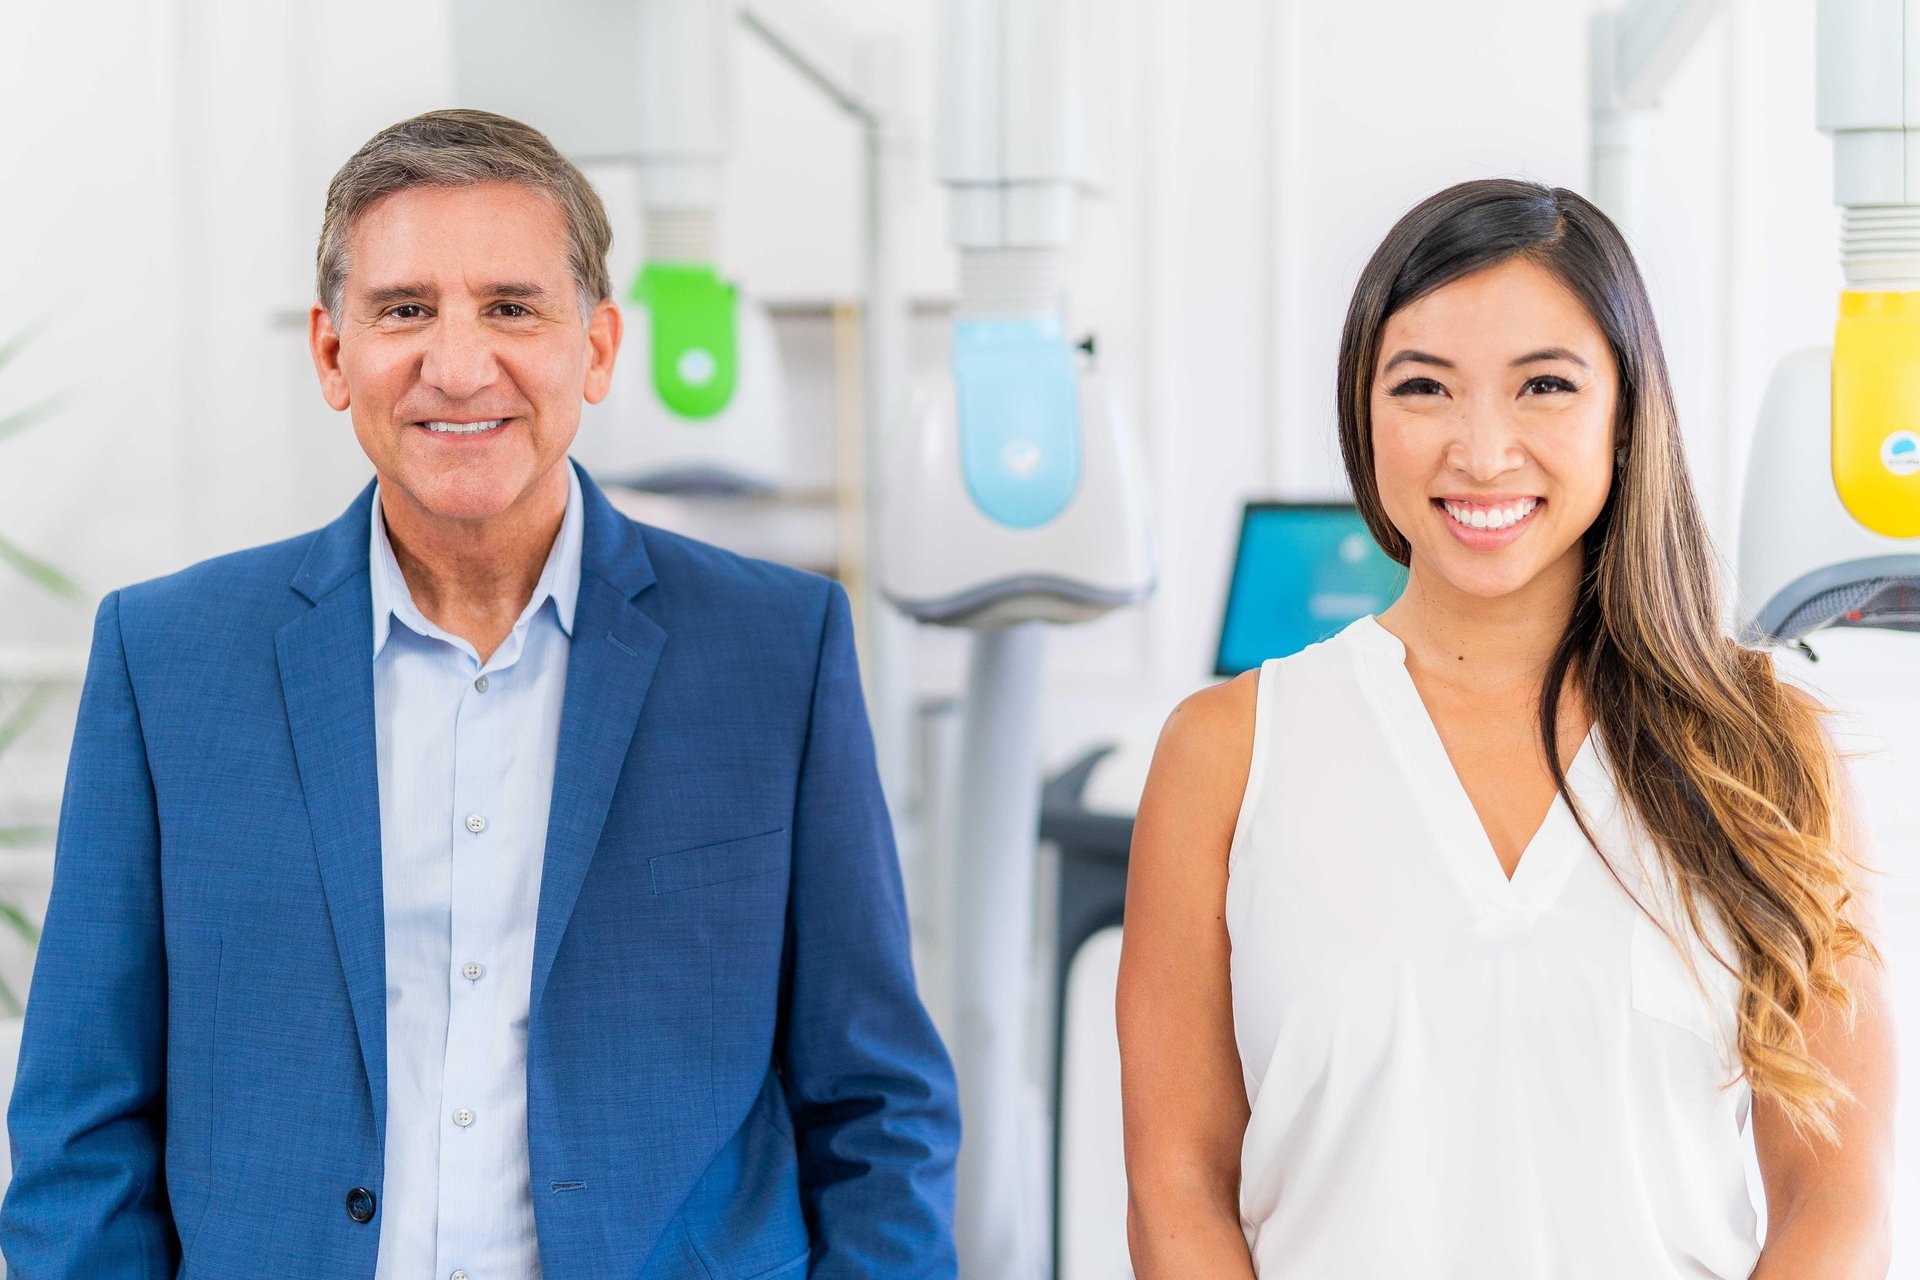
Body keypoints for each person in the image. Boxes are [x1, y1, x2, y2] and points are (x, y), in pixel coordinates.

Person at [0, 108, 959, 1279]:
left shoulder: (777, 650)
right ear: (331, 352)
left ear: (597, 348)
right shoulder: (166, 658)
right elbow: (81, 1128)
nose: (458, 367)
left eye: (511, 307)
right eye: (405, 309)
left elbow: (878, 1105)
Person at [1117, 178, 1896, 1278]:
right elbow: (1177, 1185)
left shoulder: (1769, 754)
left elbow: (1838, 1200)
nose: (1482, 452)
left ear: (1626, 414)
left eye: (1545, 385)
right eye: (1423, 387)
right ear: (1362, 414)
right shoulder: (1226, 752)